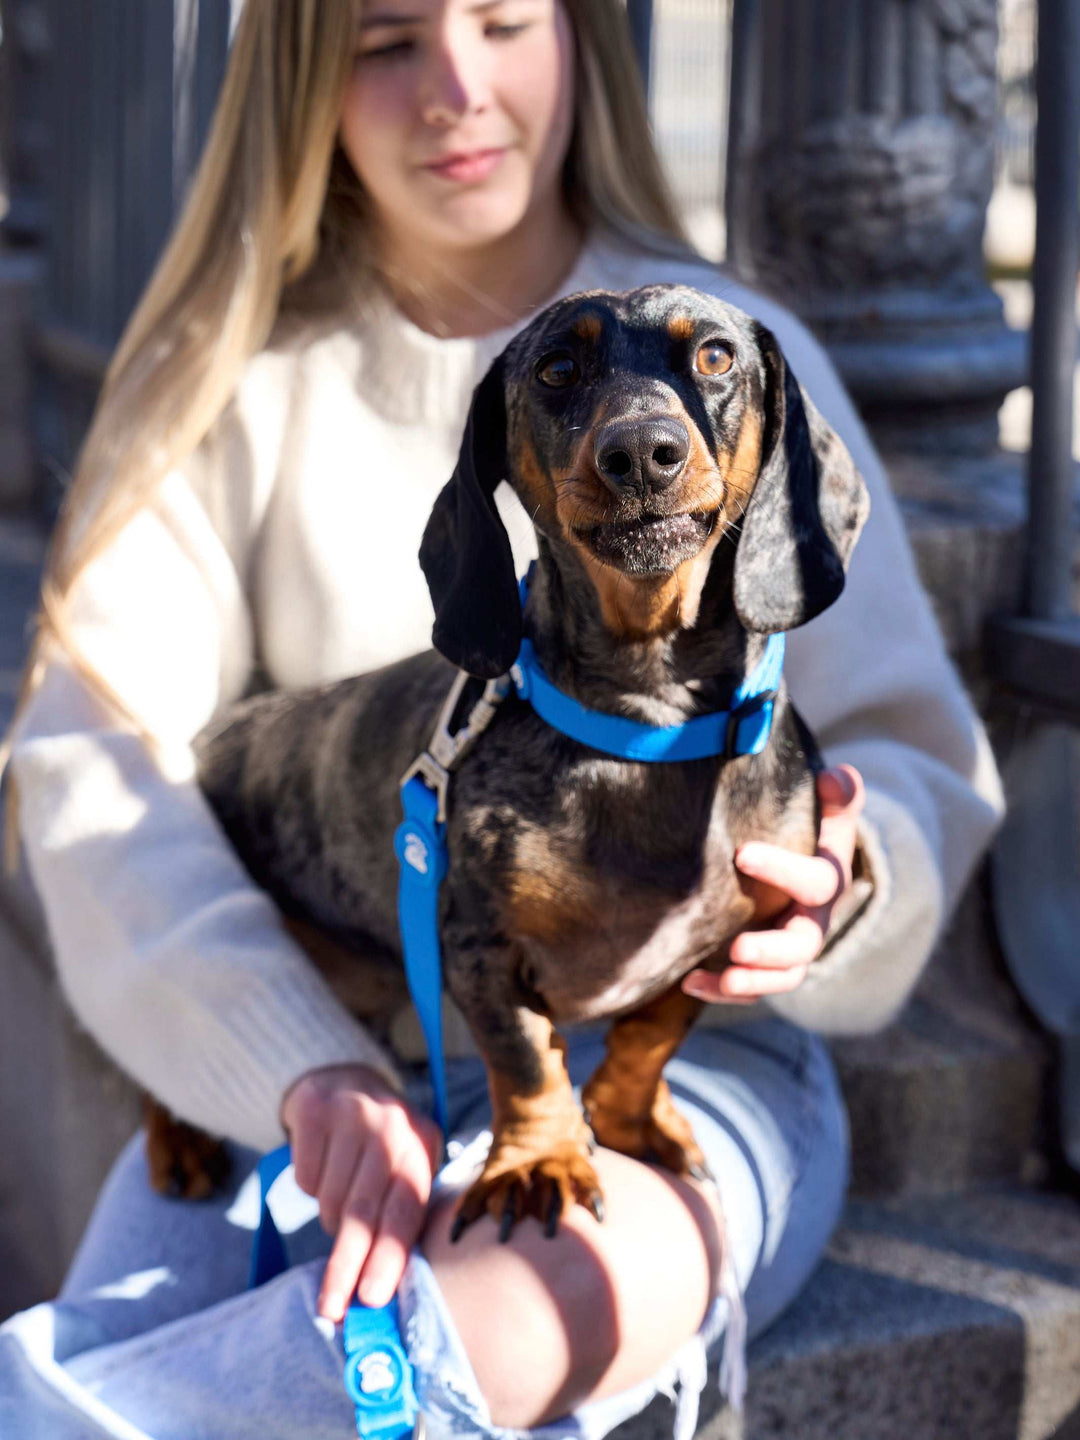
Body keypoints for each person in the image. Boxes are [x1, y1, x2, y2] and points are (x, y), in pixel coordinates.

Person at [0, 1, 1004, 1436]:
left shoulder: (738, 353)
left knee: (429, 1350)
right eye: (386, 39)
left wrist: (850, 873)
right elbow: (97, 771)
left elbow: (914, 753)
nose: (456, 89)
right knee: (136, 1352)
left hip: (692, 1062)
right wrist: (303, 1065)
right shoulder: (223, 387)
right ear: (301, 85)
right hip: (322, 1055)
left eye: (506, 20)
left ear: (583, 41)